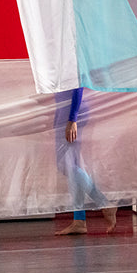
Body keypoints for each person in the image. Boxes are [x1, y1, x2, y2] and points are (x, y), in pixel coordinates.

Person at [54, 87, 117, 235]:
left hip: (70, 111)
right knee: (71, 166)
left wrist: (72, 118)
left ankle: (104, 203)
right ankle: (79, 220)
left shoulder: (68, 63)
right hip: (67, 110)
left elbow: (77, 85)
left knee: (66, 165)